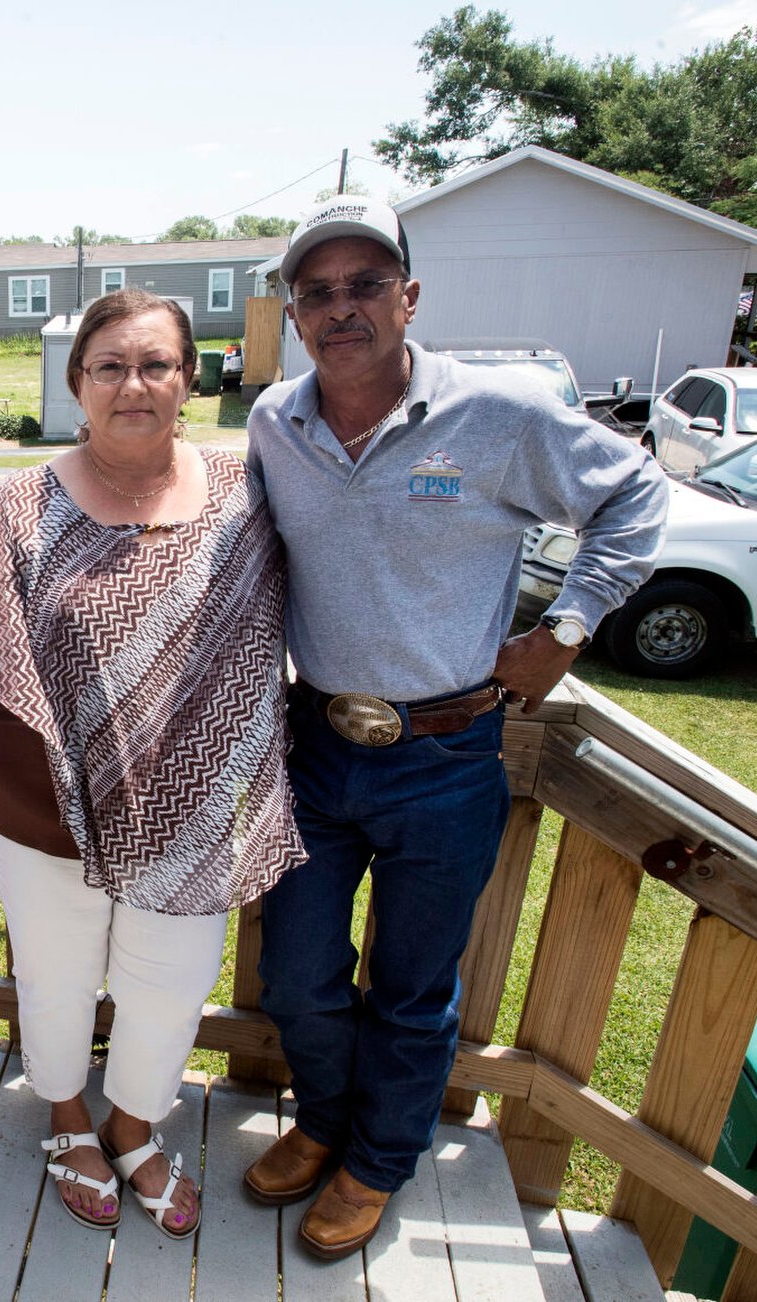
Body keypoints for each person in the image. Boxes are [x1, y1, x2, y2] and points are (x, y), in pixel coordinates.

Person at [240, 197, 667, 1259]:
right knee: (295, 972)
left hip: (444, 752)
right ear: (294, 315)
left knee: (412, 985)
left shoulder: (501, 414)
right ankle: (326, 1124)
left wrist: (565, 624)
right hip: (312, 743)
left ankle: (376, 1162)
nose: (341, 308)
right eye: (317, 292)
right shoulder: (272, 423)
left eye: (365, 285)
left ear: (408, 297)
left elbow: (636, 494)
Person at [0, 289, 306, 1239]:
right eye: (110, 366)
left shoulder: (250, 498)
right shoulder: (20, 507)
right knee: (55, 976)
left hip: (196, 813)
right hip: (39, 810)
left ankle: (133, 1126)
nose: (134, 384)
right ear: (78, 384)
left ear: (189, 380)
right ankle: (69, 1117)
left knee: (170, 985)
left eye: (156, 364)